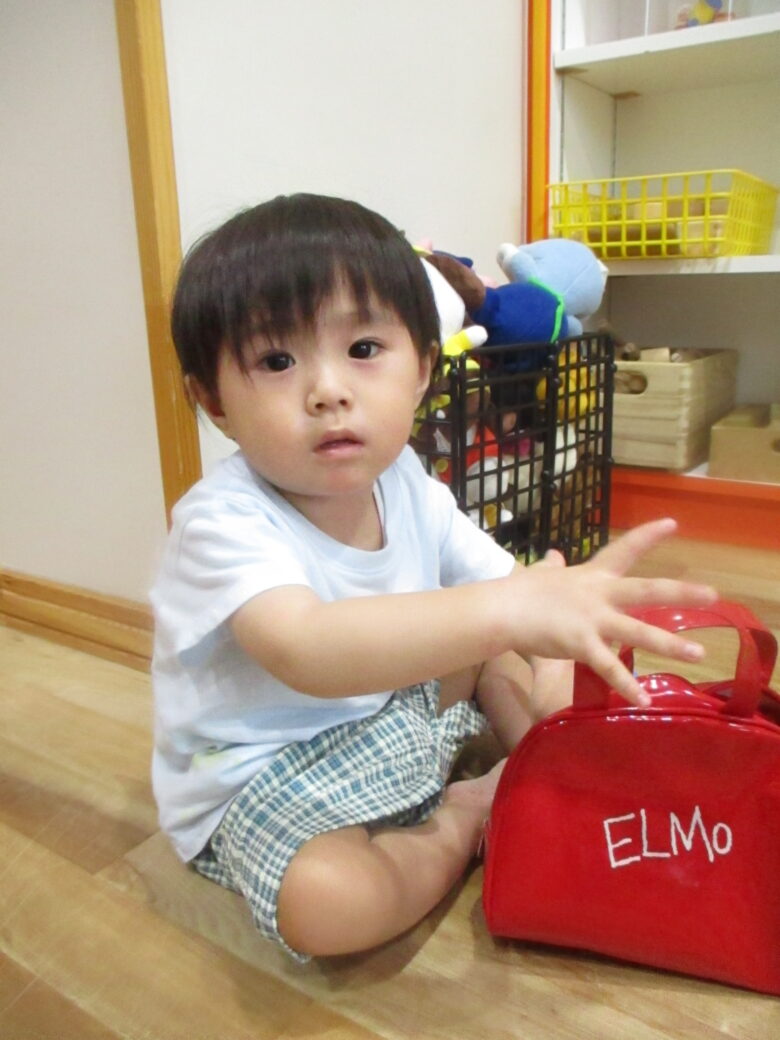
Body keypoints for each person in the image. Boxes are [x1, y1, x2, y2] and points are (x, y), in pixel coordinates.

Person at [150, 193, 716, 962]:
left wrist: (557, 646)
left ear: (422, 367)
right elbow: (306, 647)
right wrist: (509, 610)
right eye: (277, 362)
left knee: (515, 646)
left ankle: (547, 763)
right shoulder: (221, 521)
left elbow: (502, 592)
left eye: (363, 349)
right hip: (266, 770)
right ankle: (474, 812)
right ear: (214, 401)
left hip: (390, 710)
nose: (328, 391)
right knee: (329, 904)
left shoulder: (406, 481)